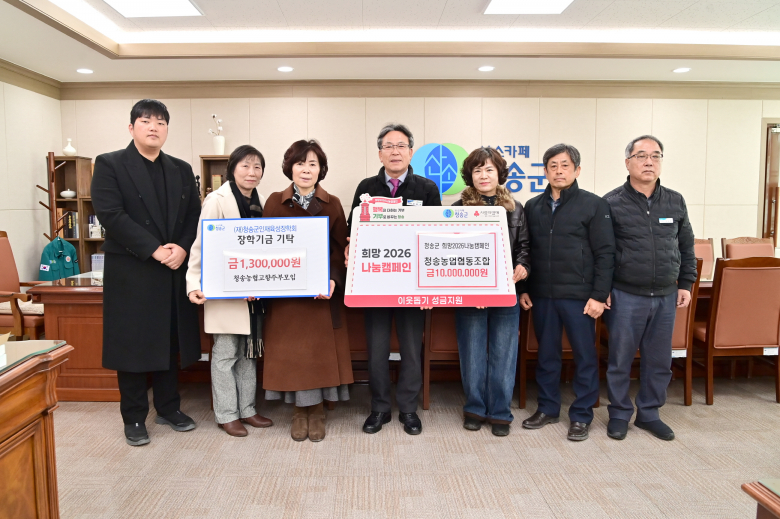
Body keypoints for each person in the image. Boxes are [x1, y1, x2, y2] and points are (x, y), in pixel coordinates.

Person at [91, 99, 201, 446]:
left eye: (160, 122)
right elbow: (111, 215)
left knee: (169, 342)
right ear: (131, 127)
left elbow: (193, 215)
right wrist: (155, 249)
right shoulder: (109, 164)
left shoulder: (181, 168)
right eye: (145, 121)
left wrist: (182, 247)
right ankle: (134, 417)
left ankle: (169, 408)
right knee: (133, 345)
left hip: (172, 268)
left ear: (167, 129)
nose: (153, 127)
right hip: (133, 269)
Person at [346, 123, 441, 436]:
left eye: (401, 146)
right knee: (377, 350)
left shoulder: (427, 189)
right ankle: (380, 408)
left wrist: (430, 288)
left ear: (411, 152)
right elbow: (352, 232)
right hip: (375, 283)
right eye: (388, 146)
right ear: (380, 153)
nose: (395, 151)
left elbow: (436, 238)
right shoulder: (366, 188)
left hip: (412, 285)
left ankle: (409, 409)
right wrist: (350, 248)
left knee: (412, 349)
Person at [603, 135, 696, 442]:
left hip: (666, 295)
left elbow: (686, 245)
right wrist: (602, 289)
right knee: (620, 360)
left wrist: (686, 283)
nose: (649, 162)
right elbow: (601, 252)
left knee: (659, 361)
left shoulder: (675, 200)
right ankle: (619, 414)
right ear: (627, 162)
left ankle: (649, 414)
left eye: (655, 156)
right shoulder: (611, 202)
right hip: (625, 294)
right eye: (641, 156)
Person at [519, 143, 615, 442]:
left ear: (577, 170)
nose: (559, 171)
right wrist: (524, 288)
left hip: (580, 296)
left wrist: (599, 295)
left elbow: (606, 253)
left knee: (585, 356)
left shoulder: (594, 205)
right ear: (545, 171)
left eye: (565, 166)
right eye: (553, 166)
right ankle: (547, 409)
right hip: (543, 295)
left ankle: (582, 415)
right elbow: (526, 251)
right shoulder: (533, 206)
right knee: (547, 356)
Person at [262, 139, 353, 442]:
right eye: (300, 163)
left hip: (320, 295)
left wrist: (333, 280)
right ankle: (299, 412)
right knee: (294, 355)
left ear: (320, 169)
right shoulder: (274, 202)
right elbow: (264, 248)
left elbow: (340, 251)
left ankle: (317, 411)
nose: (306, 169)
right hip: (287, 297)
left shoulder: (333, 203)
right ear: (290, 167)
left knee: (317, 355)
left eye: (312, 164)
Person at [186, 145, 274, 437]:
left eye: (257, 167)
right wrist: (193, 283)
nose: (252, 172)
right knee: (225, 354)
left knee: (248, 354)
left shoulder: (261, 202)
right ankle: (226, 414)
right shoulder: (217, 200)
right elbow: (201, 245)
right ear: (232, 169)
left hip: (253, 295)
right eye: (245, 166)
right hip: (224, 292)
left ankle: (247, 409)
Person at [451, 147, 530, 436]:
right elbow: (451, 252)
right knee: (472, 352)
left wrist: (523, 266)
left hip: (506, 292)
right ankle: (474, 408)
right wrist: (475, 287)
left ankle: (500, 412)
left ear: (499, 174)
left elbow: (524, 247)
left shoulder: (515, 207)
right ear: (469, 176)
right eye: (477, 170)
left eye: (489, 170)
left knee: (504, 353)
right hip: (470, 294)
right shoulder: (458, 209)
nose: (483, 175)